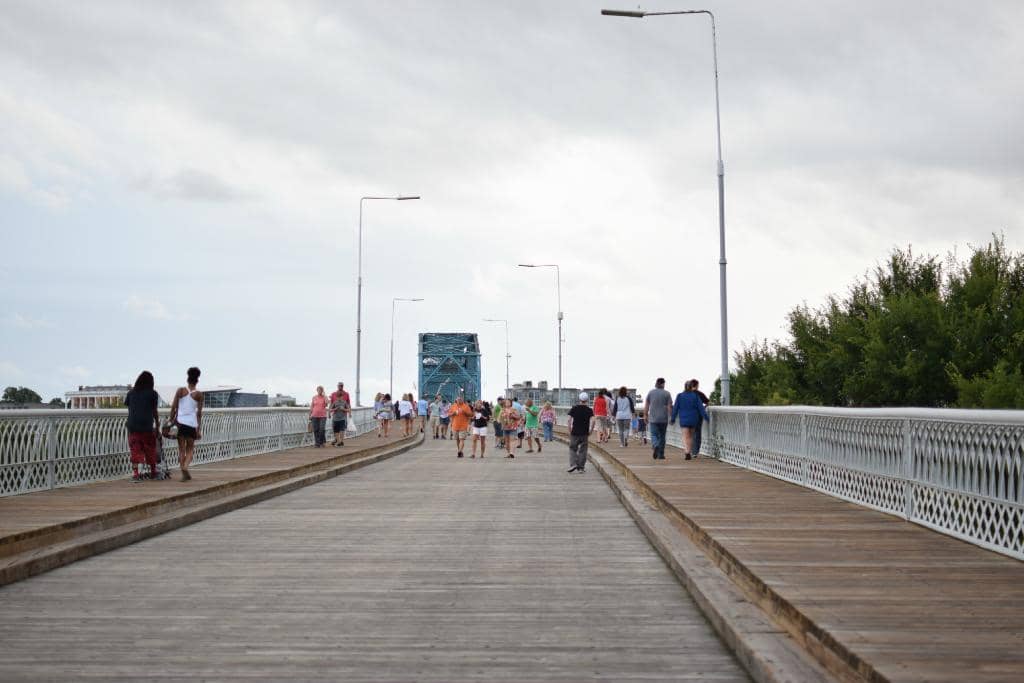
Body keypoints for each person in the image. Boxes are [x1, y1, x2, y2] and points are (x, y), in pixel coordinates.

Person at [125, 370, 160, 482]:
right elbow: (154, 411)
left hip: (133, 425)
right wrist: (157, 424)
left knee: (135, 448)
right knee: (150, 447)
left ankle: (136, 474)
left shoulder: (130, 393)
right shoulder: (153, 393)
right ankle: (153, 472)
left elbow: (130, 407)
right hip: (146, 425)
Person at [170, 366, 204, 481]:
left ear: (187, 379)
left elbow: (174, 407)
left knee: (181, 449)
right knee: (190, 449)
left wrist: (171, 420)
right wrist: (198, 429)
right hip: (191, 424)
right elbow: (199, 413)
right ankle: (185, 467)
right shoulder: (199, 394)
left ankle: (183, 471)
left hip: (180, 423)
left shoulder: (180, 390)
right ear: (197, 380)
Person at [671, 380, 711, 459]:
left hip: (684, 419)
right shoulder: (695, 396)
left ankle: (687, 452)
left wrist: (673, 418)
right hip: (693, 419)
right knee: (691, 436)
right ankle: (691, 452)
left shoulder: (679, 396)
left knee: (686, 436)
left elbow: (675, 408)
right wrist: (706, 417)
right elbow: (701, 408)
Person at [644, 377, 673, 460]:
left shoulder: (650, 393)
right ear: (663, 384)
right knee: (662, 436)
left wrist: (645, 415)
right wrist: (671, 417)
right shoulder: (667, 393)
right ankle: (661, 454)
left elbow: (647, 405)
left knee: (654, 434)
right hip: (663, 418)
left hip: (653, 418)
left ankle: (655, 445)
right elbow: (669, 407)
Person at [567, 392, 594, 473]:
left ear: (579, 399)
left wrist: (569, 429)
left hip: (575, 432)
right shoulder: (589, 410)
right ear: (587, 400)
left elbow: (569, 420)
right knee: (583, 450)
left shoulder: (574, 408)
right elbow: (593, 421)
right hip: (584, 433)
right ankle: (581, 468)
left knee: (572, 448)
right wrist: (591, 430)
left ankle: (573, 464)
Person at [691, 379, 710, 456]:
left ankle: (689, 450)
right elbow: (708, 402)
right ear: (697, 385)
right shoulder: (700, 394)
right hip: (698, 416)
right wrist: (704, 407)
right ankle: (695, 452)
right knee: (697, 433)